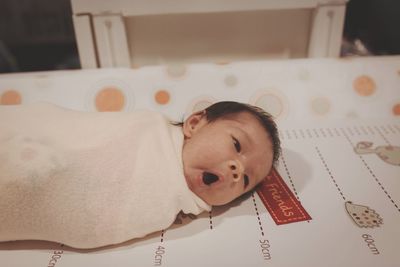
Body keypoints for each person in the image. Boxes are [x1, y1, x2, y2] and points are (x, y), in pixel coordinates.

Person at [0, 101, 280, 249]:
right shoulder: (148, 130)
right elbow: (80, 133)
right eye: (236, 144)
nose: (237, 169)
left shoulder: (177, 208)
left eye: (245, 180)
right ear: (195, 123)